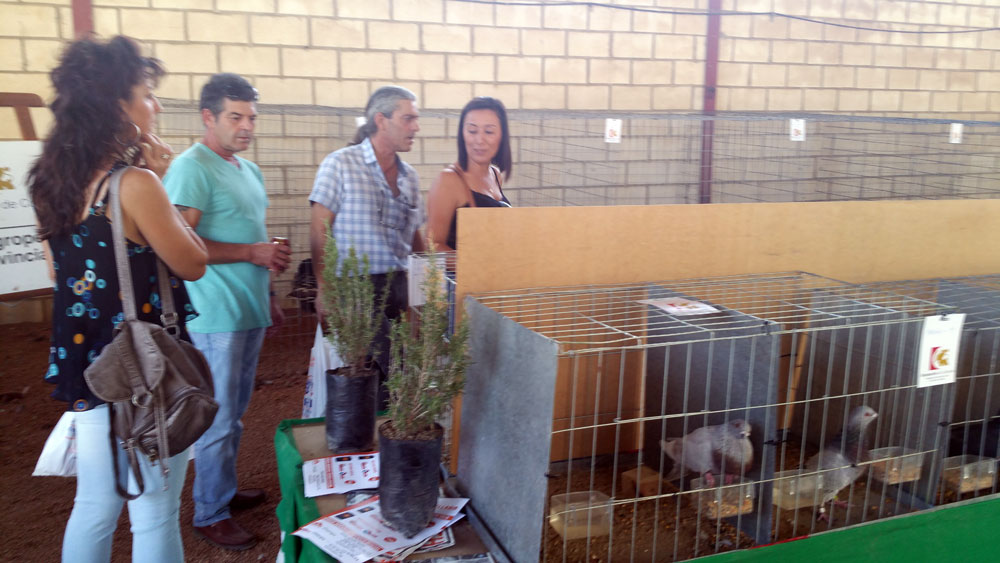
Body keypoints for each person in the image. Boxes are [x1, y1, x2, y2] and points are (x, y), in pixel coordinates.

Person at [29, 36, 208, 563]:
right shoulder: (135, 184)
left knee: (96, 504)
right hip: (145, 372)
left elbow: (60, 275)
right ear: (117, 107)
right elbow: (192, 261)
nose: (153, 105)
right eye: (147, 94)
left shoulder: (51, 183)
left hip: (90, 368)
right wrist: (158, 177)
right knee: (153, 511)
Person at [163, 73, 290, 550]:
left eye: (251, 117)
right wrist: (250, 254)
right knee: (217, 417)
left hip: (247, 307)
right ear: (208, 117)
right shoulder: (191, 167)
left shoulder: (246, 169)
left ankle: (222, 490)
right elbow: (180, 246)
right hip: (214, 313)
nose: (245, 126)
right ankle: (209, 512)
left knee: (233, 412)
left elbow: (252, 238)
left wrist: (271, 294)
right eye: (235, 117)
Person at [309, 85, 425, 389]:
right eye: (408, 118)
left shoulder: (410, 176)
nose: (416, 127)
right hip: (355, 287)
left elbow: (416, 238)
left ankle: (386, 428)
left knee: (394, 371)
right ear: (381, 120)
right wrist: (324, 288)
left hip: (400, 285)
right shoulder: (340, 164)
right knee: (385, 369)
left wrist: (426, 290)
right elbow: (319, 229)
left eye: (416, 119)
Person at [426, 97, 513, 254]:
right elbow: (433, 246)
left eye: (489, 132)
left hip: (498, 276)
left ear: (502, 136)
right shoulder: (448, 181)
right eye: (472, 131)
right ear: (462, 134)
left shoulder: (495, 174)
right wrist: (475, 266)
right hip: (464, 278)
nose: (479, 140)